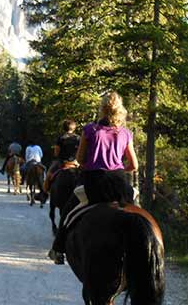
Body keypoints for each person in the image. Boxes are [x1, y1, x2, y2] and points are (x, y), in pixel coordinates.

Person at [48, 92, 138, 265]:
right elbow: (134, 165)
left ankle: (57, 249)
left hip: (94, 181)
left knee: (68, 210)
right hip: (119, 182)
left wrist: (93, 162)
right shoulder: (126, 133)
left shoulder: (90, 129)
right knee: (136, 213)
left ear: (102, 109)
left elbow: (80, 159)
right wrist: (119, 169)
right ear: (120, 110)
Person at [43, 120, 80, 193]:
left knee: (48, 174)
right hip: (76, 163)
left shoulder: (61, 138)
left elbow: (56, 153)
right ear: (74, 128)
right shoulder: (78, 138)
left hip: (62, 163)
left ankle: (44, 192)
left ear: (64, 128)